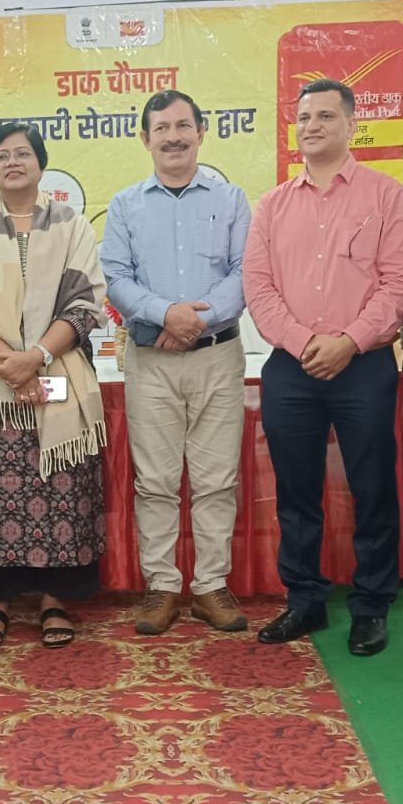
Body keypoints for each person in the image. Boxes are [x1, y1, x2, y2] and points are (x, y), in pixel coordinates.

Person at [243, 78, 403, 655]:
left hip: (364, 363)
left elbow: (399, 284)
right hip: (291, 367)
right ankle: (305, 600)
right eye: (304, 118)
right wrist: (303, 342)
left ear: (351, 126)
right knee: (296, 490)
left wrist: (348, 340)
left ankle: (371, 605)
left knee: (372, 485)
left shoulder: (387, 197)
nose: (312, 126)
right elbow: (258, 288)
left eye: (325, 116)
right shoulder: (272, 205)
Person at [0, 122, 107, 649]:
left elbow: (85, 302)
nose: (13, 162)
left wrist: (36, 357)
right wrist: (10, 362)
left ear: (41, 163)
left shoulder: (71, 224)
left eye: (23, 153)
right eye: (2, 155)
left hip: (57, 373)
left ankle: (56, 600)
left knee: (60, 486)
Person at [101, 90, 253, 636]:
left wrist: (194, 323)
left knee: (216, 479)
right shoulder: (125, 205)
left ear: (201, 132)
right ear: (145, 139)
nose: (173, 137)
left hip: (217, 356)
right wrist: (166, 315)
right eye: (161, 128)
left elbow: (245, 272)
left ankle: (211, 586)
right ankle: (162, 586)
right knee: (156, 482)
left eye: (183, 126)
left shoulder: (231, 199)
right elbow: (116, 278)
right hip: (152, 361)